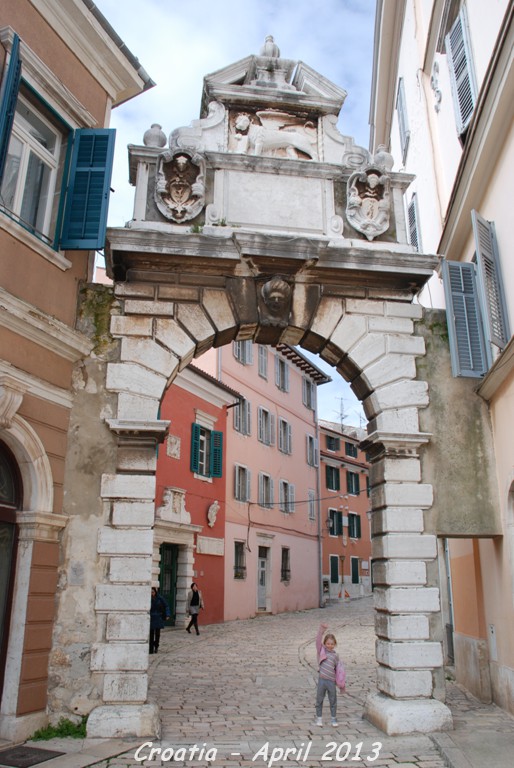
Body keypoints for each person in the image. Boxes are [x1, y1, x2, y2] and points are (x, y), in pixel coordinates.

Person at [315, 622, 346, 727]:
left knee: (333, 700)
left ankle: (333, 718)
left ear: (335, 644)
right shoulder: (322, 651)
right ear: (325, 644)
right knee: (319, 699)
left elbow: (339, 671)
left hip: (331, 681)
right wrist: (321, 630)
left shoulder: (335, 656)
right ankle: (319, 718)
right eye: (328, 643)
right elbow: (318, 642)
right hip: (322, 679)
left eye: (332, 644)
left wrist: (341, 684)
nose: (330, 645)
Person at [149, 586, 170, 654]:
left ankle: (156, 646)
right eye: (151, 592)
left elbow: (166, 606)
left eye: (153, 592)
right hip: (151, 617)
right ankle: (151, 649)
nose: (152, 593)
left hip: (158, 617)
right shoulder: (148, 598)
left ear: (155, 592)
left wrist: (167, 614)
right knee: (151, 634)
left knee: (157, 634)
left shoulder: (160, 598)